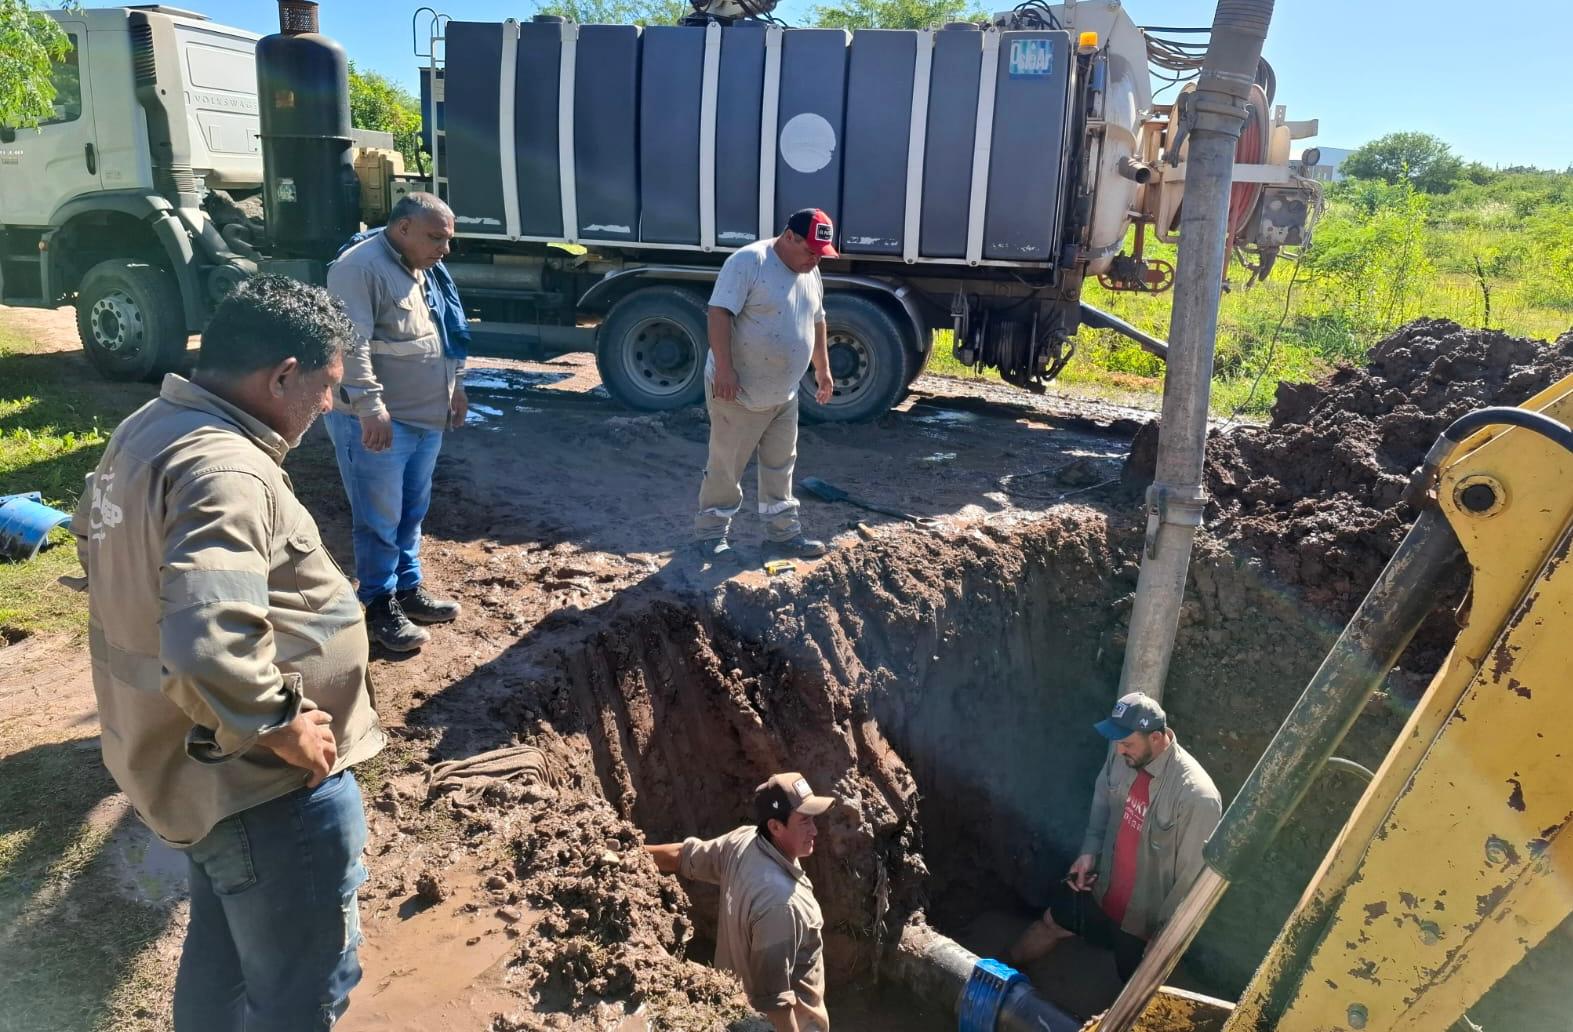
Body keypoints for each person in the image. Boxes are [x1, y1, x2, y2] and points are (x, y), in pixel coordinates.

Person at [70, 274, 386, 1031]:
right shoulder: (226, 470)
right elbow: (208, 637)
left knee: (228, 967)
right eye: (326, 388)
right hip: (262, 791)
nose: (328, 406)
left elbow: (93, 538)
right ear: (282, 375)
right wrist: (281, 719)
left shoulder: (150, 425)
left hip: (186, 769)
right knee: (303, 989)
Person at [325, 191, 470, 652]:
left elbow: (443, 332)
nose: (444, 249)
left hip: (425, 417)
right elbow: (351, 345)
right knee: (377, 518)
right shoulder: (358, 268)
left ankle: (408, 589)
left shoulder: (425, 268)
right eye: (435, 238)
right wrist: (370, 407)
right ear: (403, 227)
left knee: (410, 511)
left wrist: (457, 386)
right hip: (379, 422)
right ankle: (379, 605)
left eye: (447, 240)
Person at [1012, 693, 1221, 981]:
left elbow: (1191, 881)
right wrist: (1088, 851)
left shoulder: (1197, 797)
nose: (1120, 750)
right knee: (1050, 923)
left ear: (1157, 738)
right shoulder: (1123, 757)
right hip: (1099, 890)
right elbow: (1101, 802)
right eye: (1117, 742)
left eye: (1127, 743)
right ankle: (999, 973)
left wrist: (1163, 940)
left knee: (1133, 992)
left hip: (1141, 922)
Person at [695, 207, 838, 563]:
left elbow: (818, 319)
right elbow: (718, 313)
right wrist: (725, 370)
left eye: (820, 255)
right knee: (727, 465)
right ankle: (710, 536)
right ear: (789, 237)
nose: (814, 261)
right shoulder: (748, 262)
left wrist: (823, 368)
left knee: (780, 465)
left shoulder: (810, 270)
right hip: (738, 392)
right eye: (809, 252)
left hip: (783, 395)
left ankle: (782, 536)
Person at [645, 773, 834, 1031]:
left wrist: (631, 851)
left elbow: (682, 856)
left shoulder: (743, 842)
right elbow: (774, 1003)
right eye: (804, 821)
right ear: (775, 827)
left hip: (732, 1009)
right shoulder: (782, 904)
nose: (814, 829)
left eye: (812, 819)